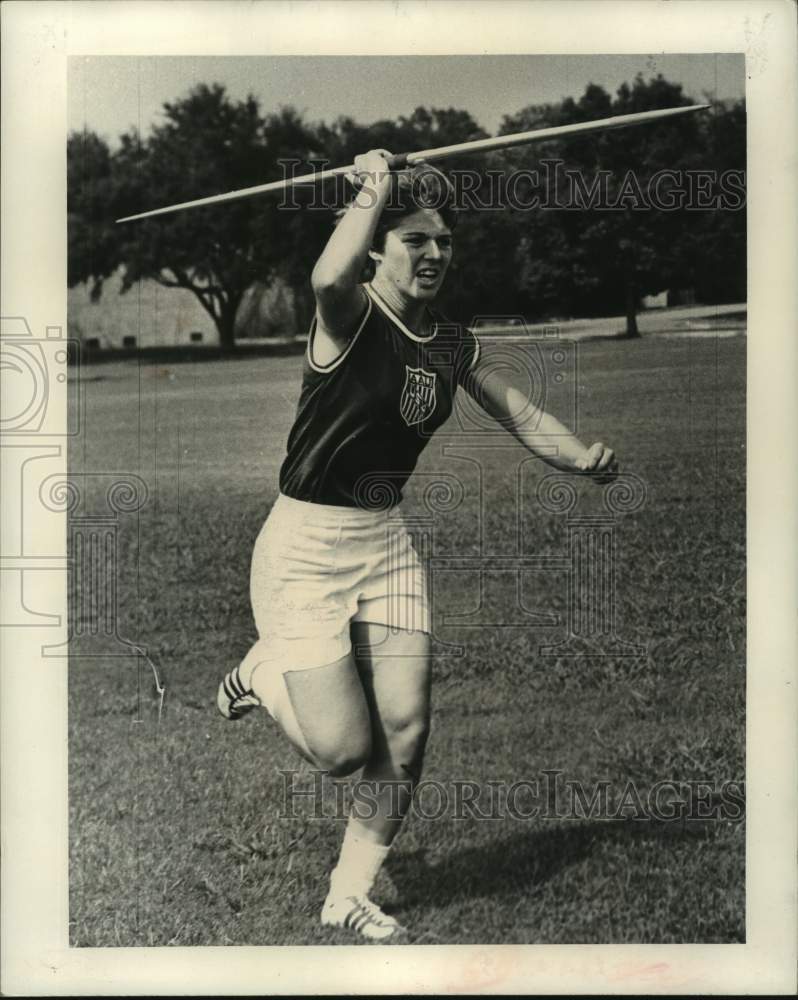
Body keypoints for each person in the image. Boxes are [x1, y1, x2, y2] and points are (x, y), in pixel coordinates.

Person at [217, 148, 618, 942]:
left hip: (383, 540)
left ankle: (348, 891)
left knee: (406, 728)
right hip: (304, 544)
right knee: (342, 753)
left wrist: (580, 456)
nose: (433, 253)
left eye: (442, 241)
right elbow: (326, 279)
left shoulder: (451, 341)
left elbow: (517, 412)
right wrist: (373, 185)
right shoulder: (351, 313)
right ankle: (260, 671)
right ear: (377, 248)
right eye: (413, 240)